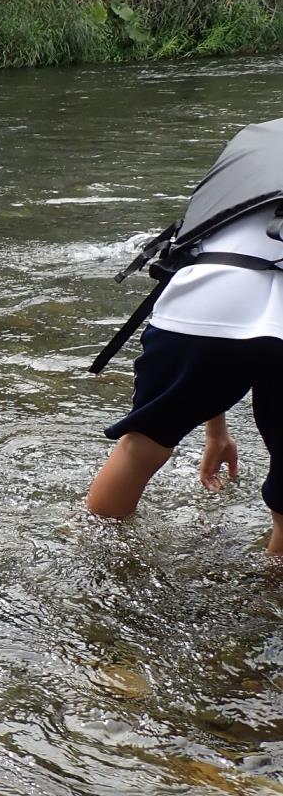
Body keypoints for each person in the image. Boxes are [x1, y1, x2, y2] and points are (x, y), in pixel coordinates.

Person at [87, 119, 283, 554]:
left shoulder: (255, 149)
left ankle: (84, 570)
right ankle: (266, 612)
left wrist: (215, 429)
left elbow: (226, 305)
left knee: (141, 449)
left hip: (202, 302)